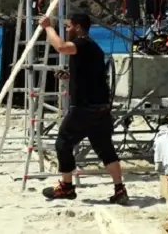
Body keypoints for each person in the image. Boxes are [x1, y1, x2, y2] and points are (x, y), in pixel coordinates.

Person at [39, 13, 129, 205]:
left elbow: (61, 47)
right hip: (100, 107)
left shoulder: (82, 43)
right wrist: (70, 75)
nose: (67, 29)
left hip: (85, 107)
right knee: (105, 149)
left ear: (78, 27)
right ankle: (119, 189)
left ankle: (66, 186)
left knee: (63, 142)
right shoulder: (93, 48)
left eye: (69, 26)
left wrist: (48, 27)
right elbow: (90, 74)